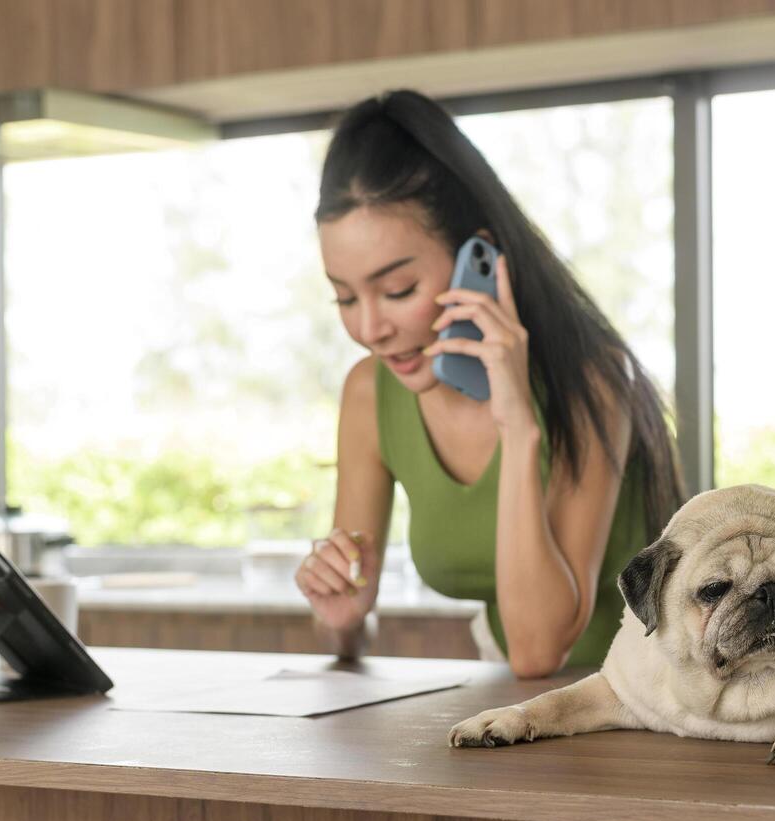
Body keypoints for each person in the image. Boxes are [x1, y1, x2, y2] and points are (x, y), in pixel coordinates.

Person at [293, 90, 684, 678]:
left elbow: (539, 649)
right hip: (524, 712)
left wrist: (518, 424)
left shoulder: (593, 383)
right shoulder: (369, 395)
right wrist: (343, 617)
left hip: (663, 703)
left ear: (479, 257)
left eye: (398, 290)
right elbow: (353, 623)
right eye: (345, 297)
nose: (369, 328)